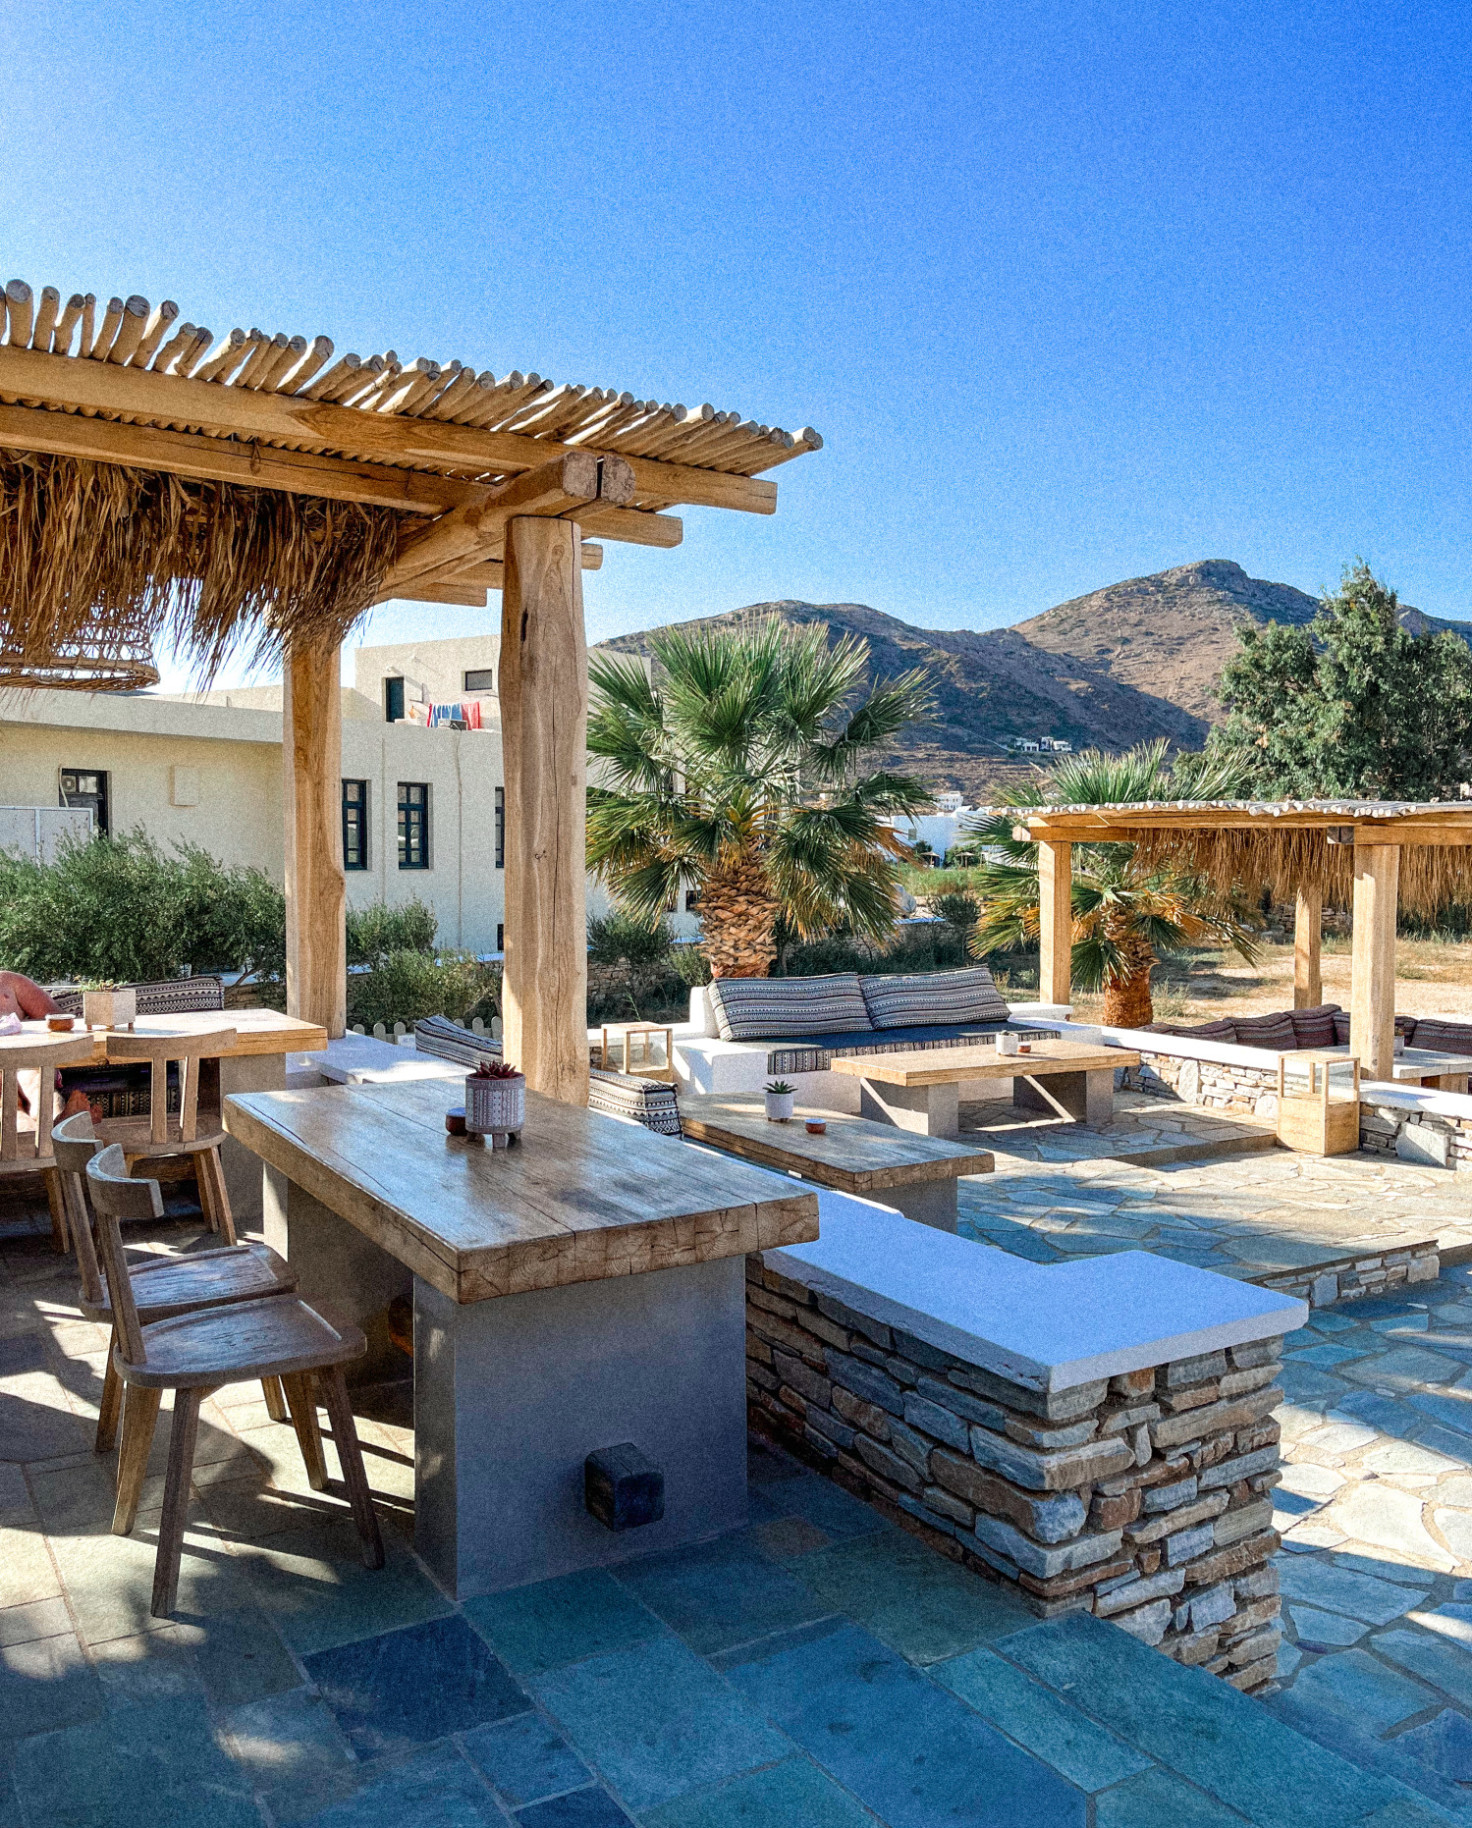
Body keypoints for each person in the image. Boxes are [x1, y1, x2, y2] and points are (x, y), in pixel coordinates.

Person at [0, 972, 96, 1117]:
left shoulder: (8, 981)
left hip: (21, 1062)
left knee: (35, 1080)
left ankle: (56, 1125)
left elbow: (61, 1023)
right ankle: (58, 1128)